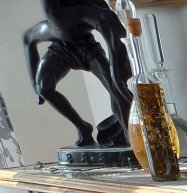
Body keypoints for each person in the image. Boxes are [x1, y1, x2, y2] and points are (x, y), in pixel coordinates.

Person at [23, 0, 132, 148]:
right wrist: (35, 87)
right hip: (61, 49)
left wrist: (118, 76)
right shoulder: (49, 27)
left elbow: (115, 39)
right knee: (44, 89)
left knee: (115, 87)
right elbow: (27, 40)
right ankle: (83, 127)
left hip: (88, 49)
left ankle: (129, 136)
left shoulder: (88, 11)